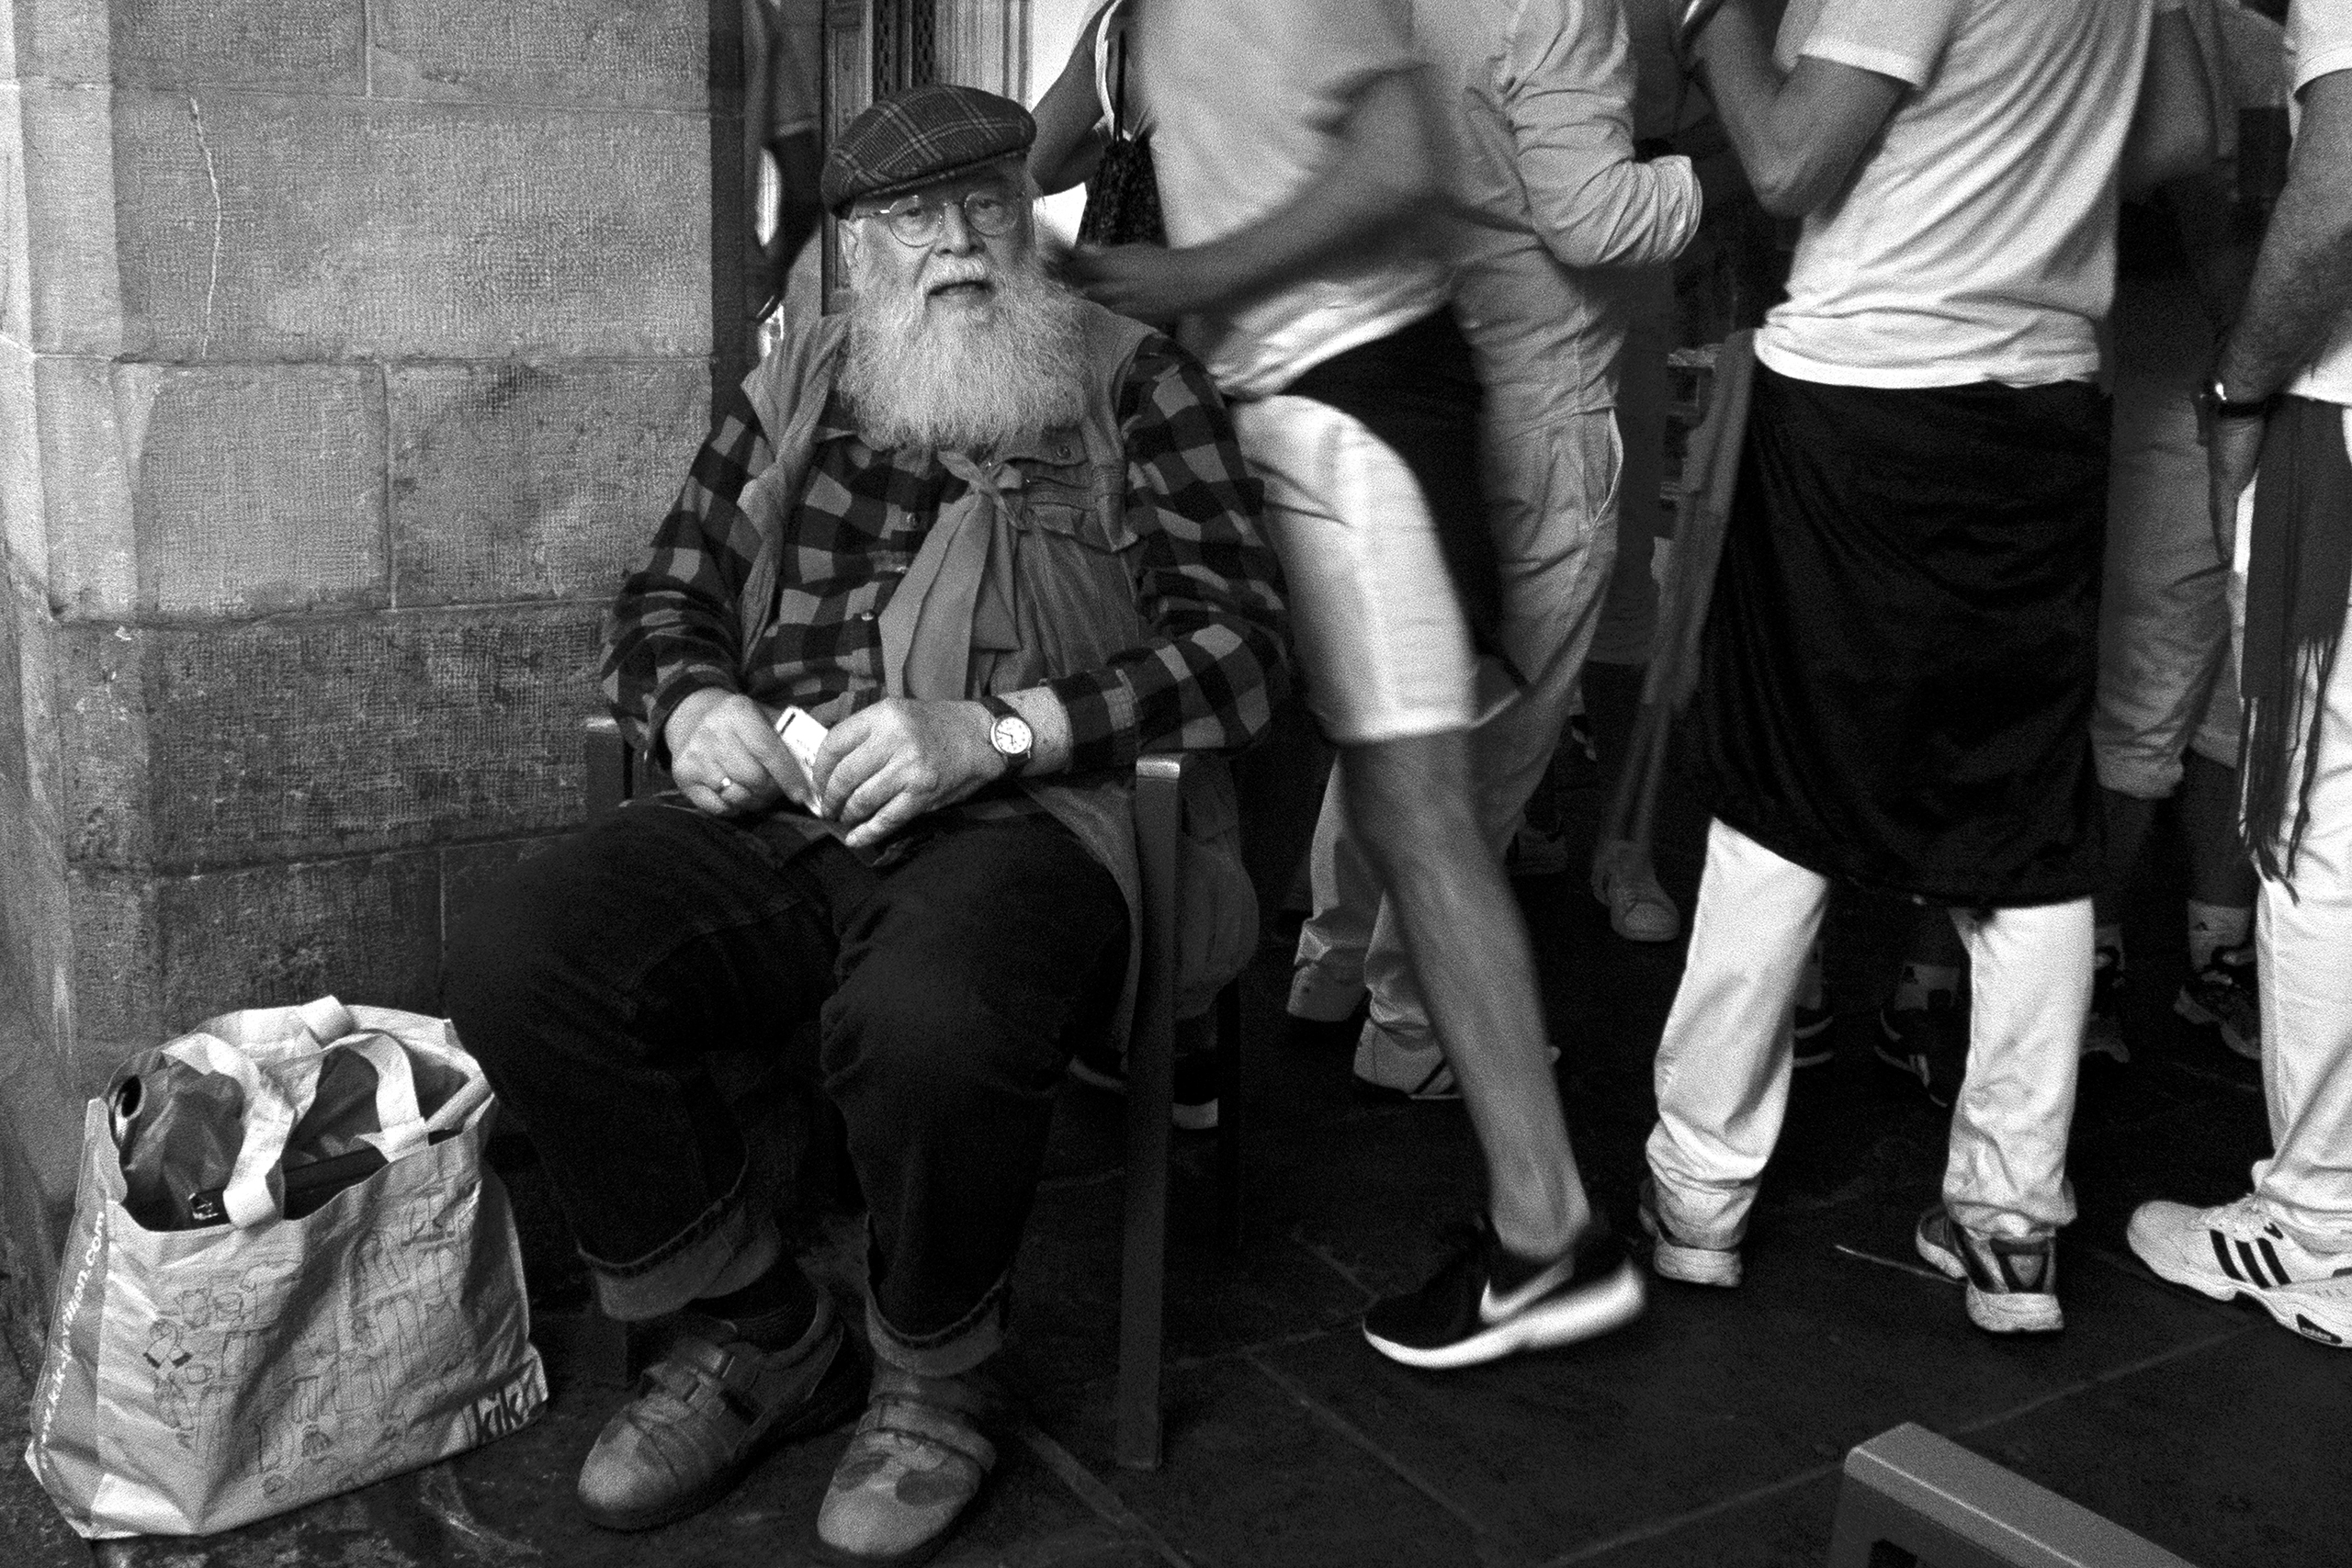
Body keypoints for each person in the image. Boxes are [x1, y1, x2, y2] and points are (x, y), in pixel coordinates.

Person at [441, 84, 1288, 1564]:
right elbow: (664, 596)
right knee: (519, 949)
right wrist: (693, 703)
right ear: (855, 246)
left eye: (984, 203)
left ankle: (936, 1371)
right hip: (792, 802)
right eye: (911, 215)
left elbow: (1242, 646)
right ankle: (758, 1324)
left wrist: (999, 730)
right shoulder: (799, 384)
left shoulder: (1137, 382)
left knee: (932, 1013)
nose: (956, 241)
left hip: (1030, 817)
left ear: (1023, 218)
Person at [1041, 0, 1646, 1369]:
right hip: (1275, 409)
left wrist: (1182, 275)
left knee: (1418, 815)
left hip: (1355, 405)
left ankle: (1551, 1234)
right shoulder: (1141, 16)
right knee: (1262, 754)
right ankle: (1181, 1038)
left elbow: (1397, 161)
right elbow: (1052, 141)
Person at [1638, 0, 2211, 1336]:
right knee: (2024, 807)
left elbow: (1787, 163)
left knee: (1779, 785)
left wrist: (1711, 18)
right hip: (2039, 406)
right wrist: (2017, 164)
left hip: (1864, 400)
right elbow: (2181, 133)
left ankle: (1699, 1193)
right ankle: (2010, 1225)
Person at [1279, 0, 1704, 1097]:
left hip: (1385, 384)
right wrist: (1705, 176)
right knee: (1493, 739)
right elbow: (1593, 220)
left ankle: (1331, 964)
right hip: (1526, 399)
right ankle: (1415, 1027)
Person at [2129, 0, 2352, 1348]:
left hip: (2340, 412)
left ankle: (2318, 1229)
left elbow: (2340, 191)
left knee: (2321, 831)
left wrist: (2239, 389)